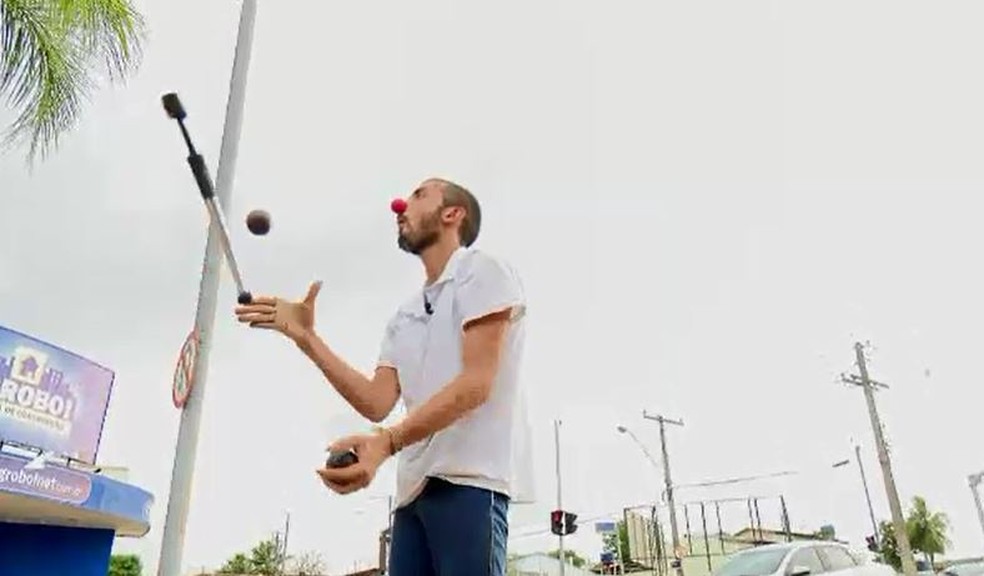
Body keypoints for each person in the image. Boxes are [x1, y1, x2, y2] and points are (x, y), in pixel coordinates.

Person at [234, 177, 533, 576]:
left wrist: (388, 442)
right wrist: (307, 338)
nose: (400, 206)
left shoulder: (483, 272)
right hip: (412, 495)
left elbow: (476, 384)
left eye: (419, 195)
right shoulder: (405, 315)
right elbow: (376, 402)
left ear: (452, 214)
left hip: (471, 485)